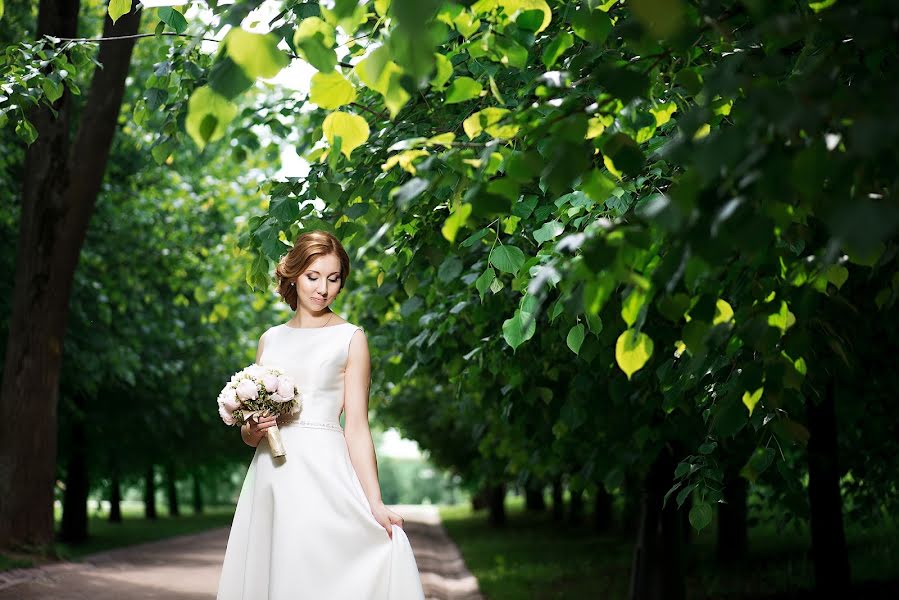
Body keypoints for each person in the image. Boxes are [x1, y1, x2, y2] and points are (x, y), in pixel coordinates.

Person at [216, 230, 426, 599]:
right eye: (314, 277)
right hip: (271, 475)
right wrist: (253, 428)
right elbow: (250, 436)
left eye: (333, 279)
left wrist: (374, 501)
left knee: (321, 571)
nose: (323, 290)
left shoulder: (350, 337)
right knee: (276, 572)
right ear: (294, 275)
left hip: (324, 470)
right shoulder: (270, 339)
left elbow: (357, 427)